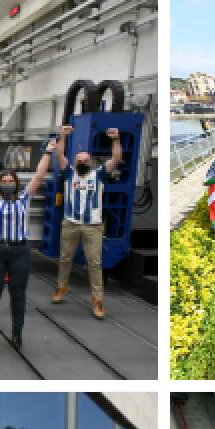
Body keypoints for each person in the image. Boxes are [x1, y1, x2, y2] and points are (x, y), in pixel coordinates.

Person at [0, 137, 54, 350]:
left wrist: (48, 153)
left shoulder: (25, 198)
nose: (7, 184)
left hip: (20, 251)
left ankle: (17, 331)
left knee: (18, 293)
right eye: (3, 181)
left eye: (10, 181)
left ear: (16, 183)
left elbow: (39, 176)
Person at [53, 125, 123, 318]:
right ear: (75, 162)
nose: (83, 162)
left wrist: (116, 140)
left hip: (93, 226)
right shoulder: (69, 174)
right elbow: (60, 155)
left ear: (90, 162)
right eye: (79, 160)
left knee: (94, 262)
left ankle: (97, 300)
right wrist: (63, 137)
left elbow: (116, 159)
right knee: (65, 257)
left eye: (85, 160)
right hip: (70, 223)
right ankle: (61, 287)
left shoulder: (98, 174)